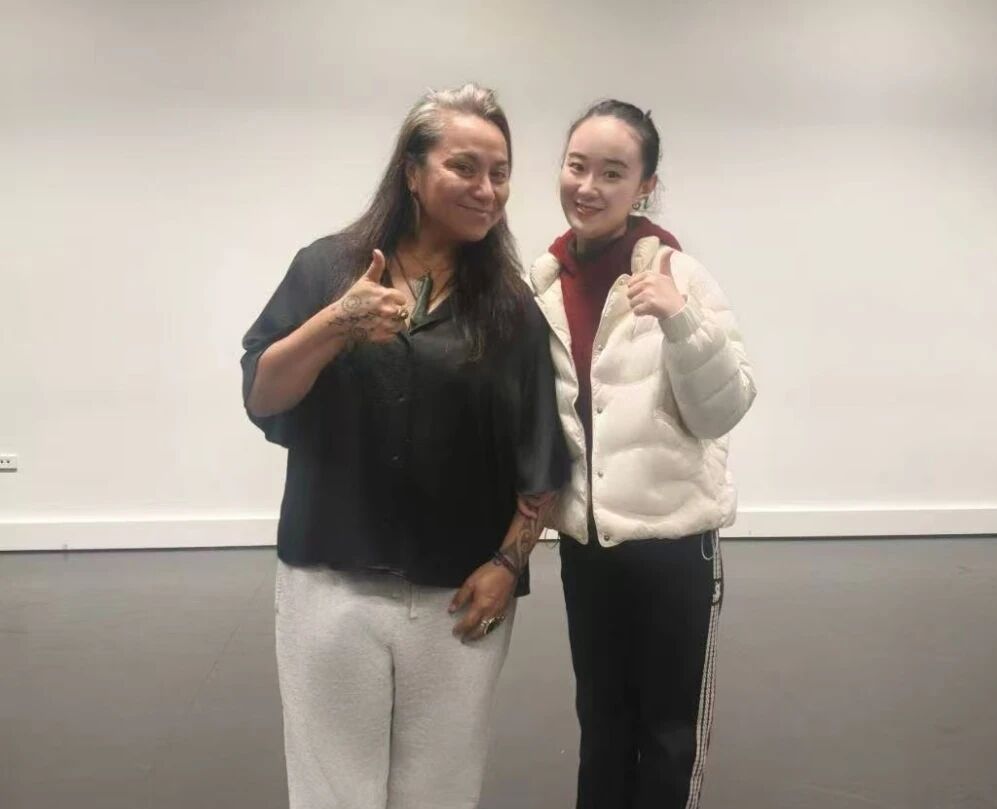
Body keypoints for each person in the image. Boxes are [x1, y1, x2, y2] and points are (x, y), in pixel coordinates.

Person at [240, 83, 569, 809]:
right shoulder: (326, 270)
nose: (486, 189)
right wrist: (336, 323)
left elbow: (541, 453)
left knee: (440, 789)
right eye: (464, 167)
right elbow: (264, 395)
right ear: (413, 172)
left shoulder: (510, 308)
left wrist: (507, 564)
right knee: (332, 790)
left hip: (457, 593)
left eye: (500, 173)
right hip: (330, 583)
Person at [528, 99, 757, 809]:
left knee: (666, 731)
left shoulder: (681, 276)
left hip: (671, 542)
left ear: (644, 186)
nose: (588, 186)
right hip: (587, 545)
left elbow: (724, 408)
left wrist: (682, 321)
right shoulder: (543, 282)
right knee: (600, 723)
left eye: (612, 172)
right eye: (577, 166)